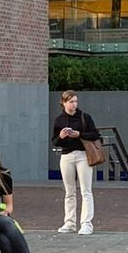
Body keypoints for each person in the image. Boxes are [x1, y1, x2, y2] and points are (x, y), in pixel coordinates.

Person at [52, 90, 101, 234]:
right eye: (71, 101)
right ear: (64, 103)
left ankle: (86, 223)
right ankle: (69, 222)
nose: (74, 104)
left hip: (83, 155)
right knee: (69, 191)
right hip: (66, 155)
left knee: (86, 190)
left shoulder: (85, 117)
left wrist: (78, 134)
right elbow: (54, 141)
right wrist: (61, 136)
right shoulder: (59, 120)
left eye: (75, 101)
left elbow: (95, 134)